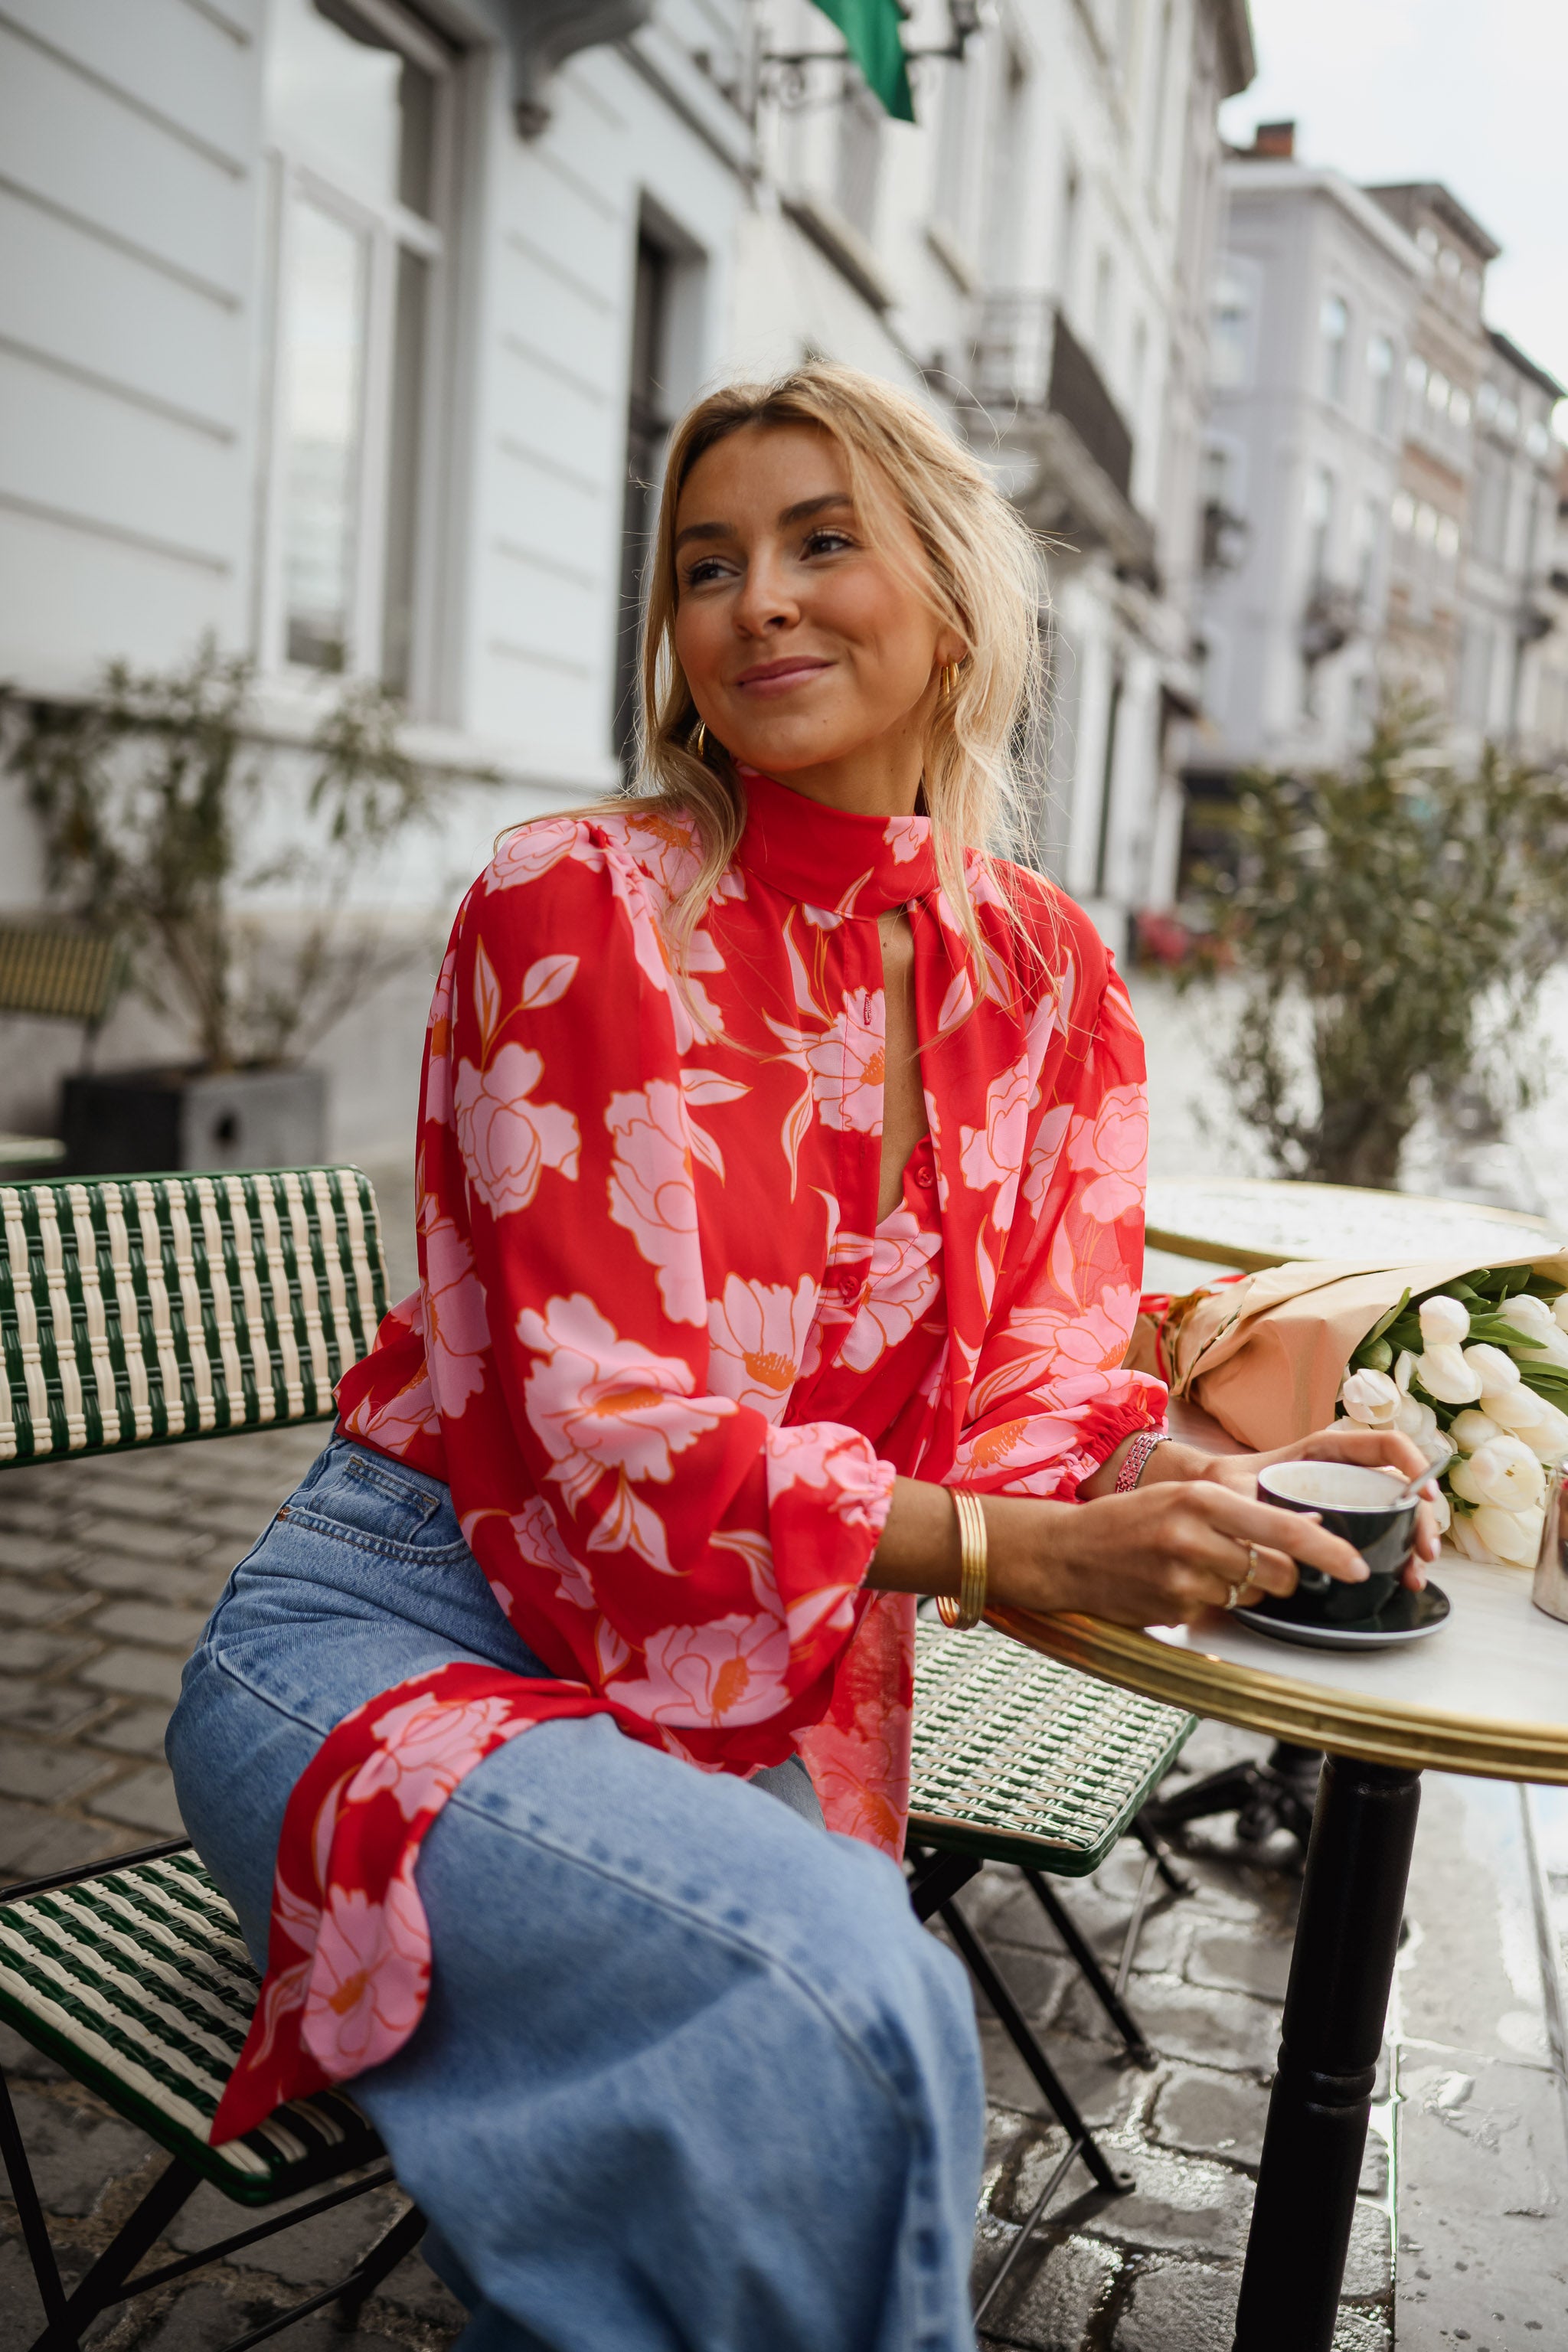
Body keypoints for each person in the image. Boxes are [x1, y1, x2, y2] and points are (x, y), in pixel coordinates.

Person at [168, 364, 1437, 2352]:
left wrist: (1177, 1479)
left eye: (821, 540)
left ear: (951, 597)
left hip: (748, 1678)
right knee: (844, 2001)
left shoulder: (1053, 978)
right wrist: (1020, 1558)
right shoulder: (579, 905)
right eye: (707, 564)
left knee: (796, 2049)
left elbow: (1035, 1386)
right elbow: (609, 1439)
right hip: (415, 1626)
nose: (758, 598)